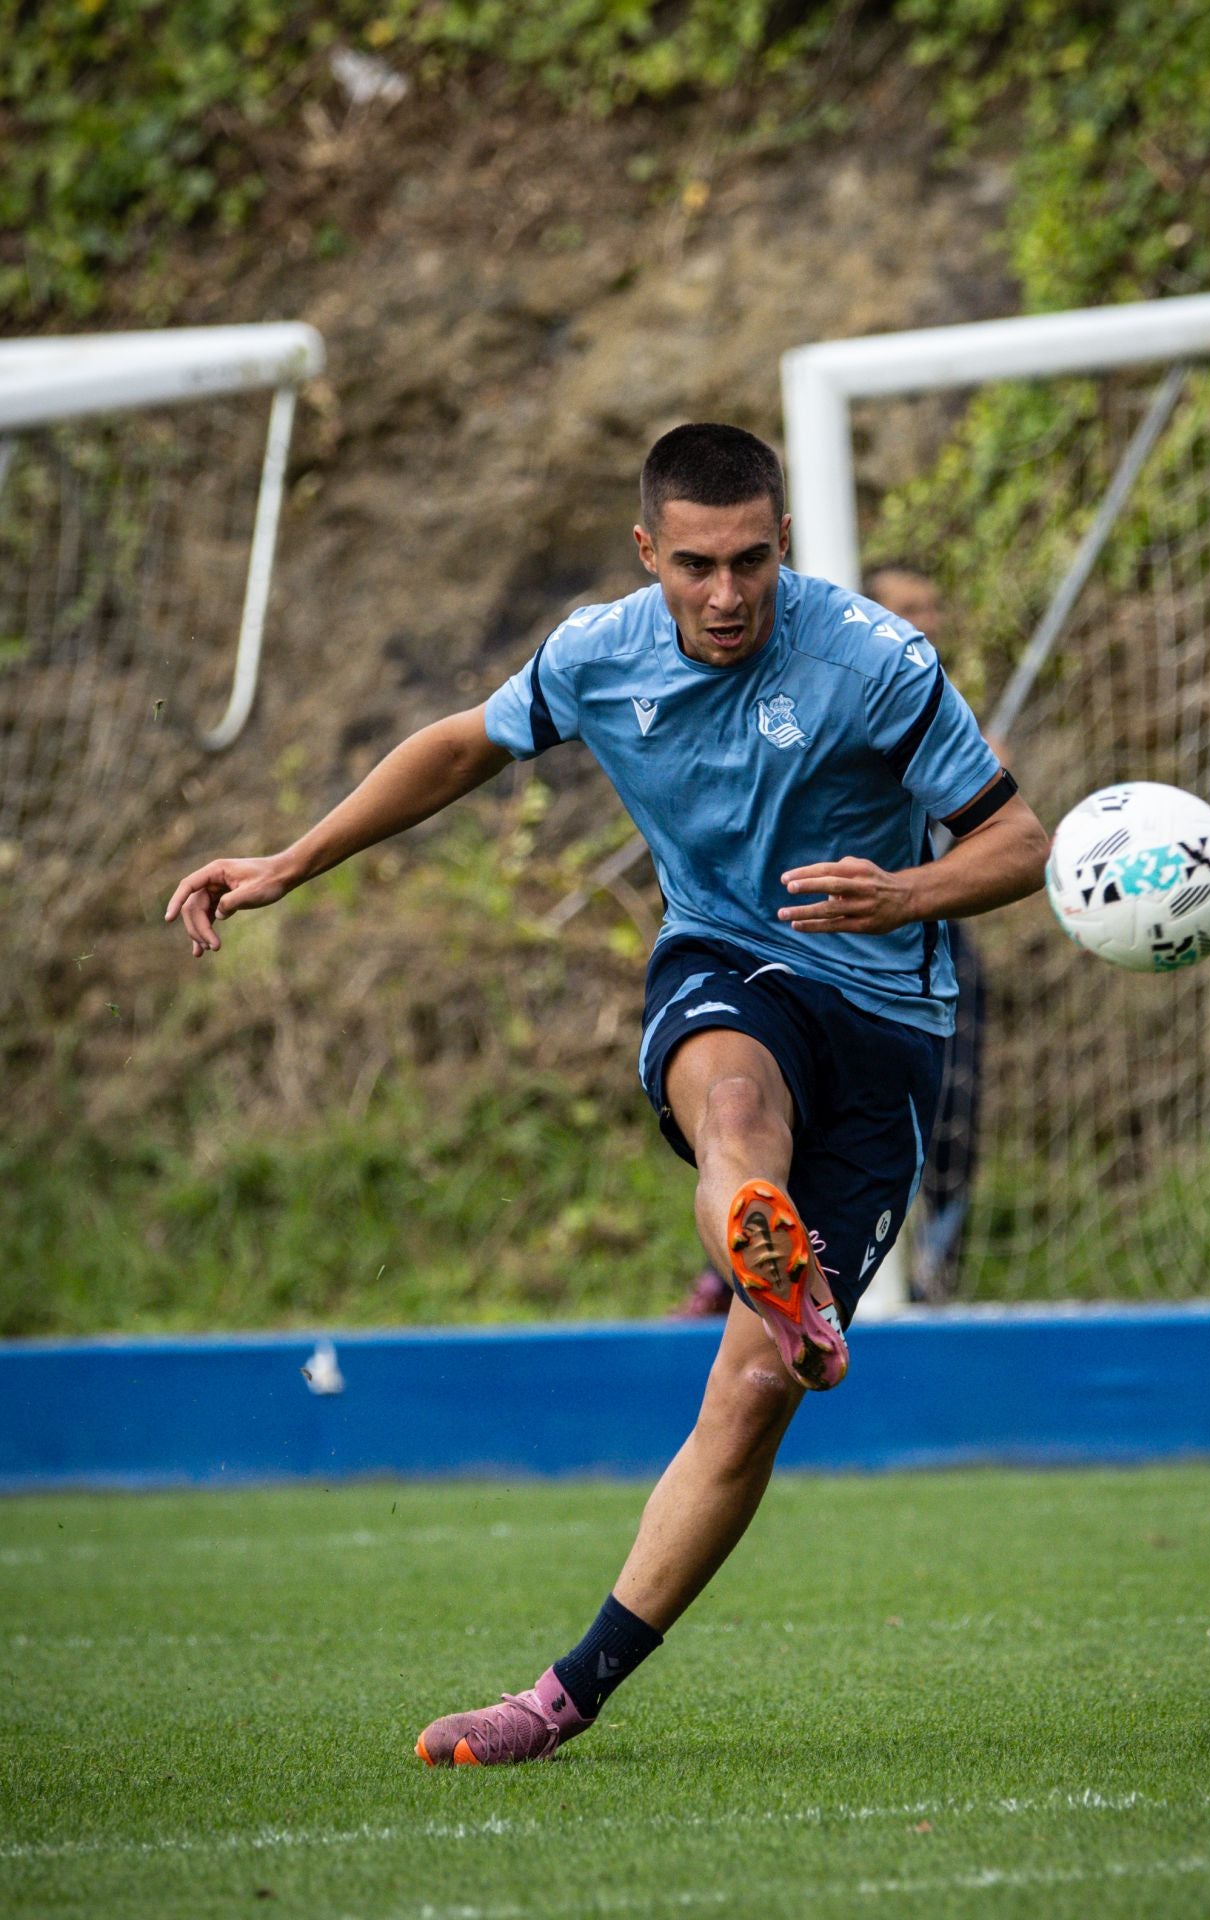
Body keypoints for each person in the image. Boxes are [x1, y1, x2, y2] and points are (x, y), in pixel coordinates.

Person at [165, 423, 1050, 1768]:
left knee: (752, 1397)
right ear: (649, 553)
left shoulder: (874, 661)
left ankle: (571, 1682)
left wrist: (908, 892)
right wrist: (292, 860)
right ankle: (768, 1244)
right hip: (728, 958)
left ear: (782, 545)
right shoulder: (599, 651)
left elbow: (1019, 838)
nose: (727, 592)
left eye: (752, 559)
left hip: (885, 1015)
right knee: (732, 1103)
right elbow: (461, 744)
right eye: (696, 564)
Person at [669, 560, 987, 1317]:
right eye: (904, 606)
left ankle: (928, 1271)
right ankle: (741, 1269)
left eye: (931, 603)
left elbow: (1002, 831)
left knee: (947, 1119)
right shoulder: (826, 682)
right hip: (789, 934)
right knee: (750, 1106)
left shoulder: (936, 702)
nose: (924, 619)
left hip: (915, 942)